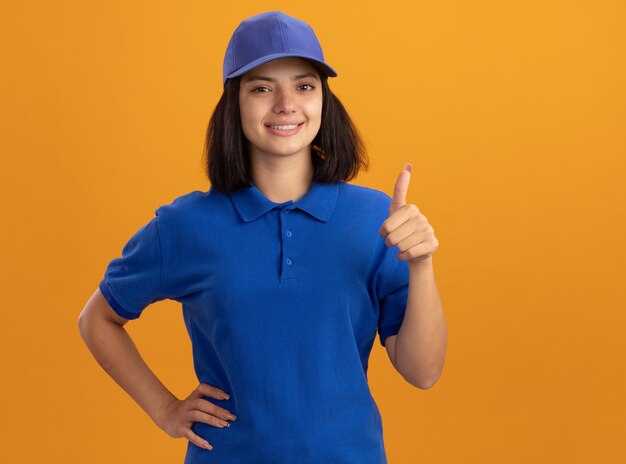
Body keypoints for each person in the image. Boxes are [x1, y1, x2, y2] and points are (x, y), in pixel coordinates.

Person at [77, 10, 447, 464]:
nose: (286, 103)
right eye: (261, 87)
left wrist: (421, 263)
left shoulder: (376, 218)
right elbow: (96, 319)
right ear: (234, 104)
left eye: (304, 85)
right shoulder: (186, 225)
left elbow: (423, 372)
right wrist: (165, 409)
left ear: (324, 101)